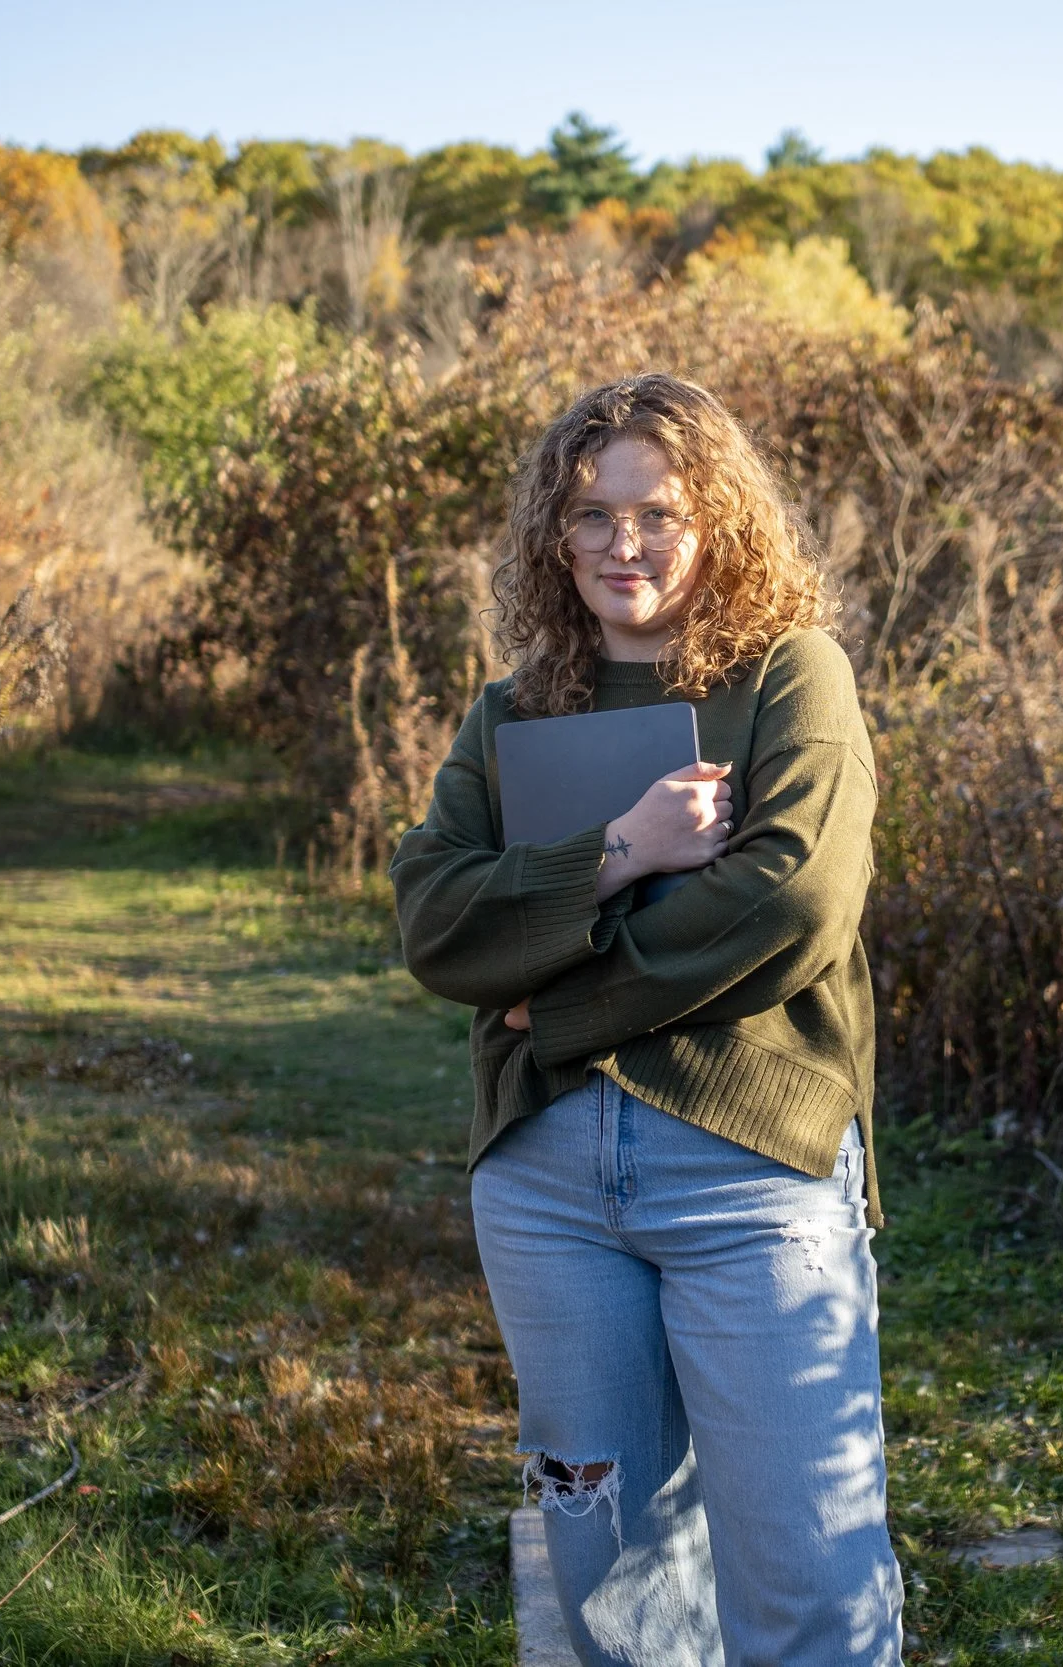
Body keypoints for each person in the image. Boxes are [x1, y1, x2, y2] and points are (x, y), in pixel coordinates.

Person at [391, 374, 901, 1665]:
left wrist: (548, 1001)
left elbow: (787, 902)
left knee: (810, 1587)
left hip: (751, 1166)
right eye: (592, 516)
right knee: (616, 1592)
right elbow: (438, 921)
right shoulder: (515, 712)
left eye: (659, 512)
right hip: (548, 1190)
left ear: (717, 519)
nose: (626, 544)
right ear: (553, 540)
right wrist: (615, 851)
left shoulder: (790, 679)